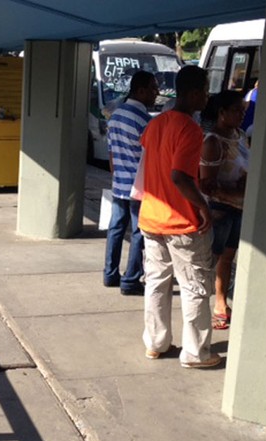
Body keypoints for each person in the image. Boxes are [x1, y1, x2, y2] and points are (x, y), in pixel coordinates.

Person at [138, 66, 221, 369]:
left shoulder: (155, 124)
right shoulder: (189, 129)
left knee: (157, 283)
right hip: (183, 223)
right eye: (205, 91)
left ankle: (156, 343)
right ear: (194, 92)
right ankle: (197, 353)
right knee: (195, 286)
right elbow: (180, 177)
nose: (207, 96)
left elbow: (153, 166)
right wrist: (202, 207)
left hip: (151, 218)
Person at [103, 70, 159, 295]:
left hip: (119, 184)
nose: (157, 93)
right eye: (154, 89)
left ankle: (110, 274)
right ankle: (131, 280)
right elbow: (152, 157)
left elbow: (111, 156)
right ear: (141, 90)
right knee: (138, 233)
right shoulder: (146, 121)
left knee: (115, 228)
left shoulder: (115, 116)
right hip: (139, 187)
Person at [200, 90, 249, 330]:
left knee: (228, 258)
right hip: (220, 209)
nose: (242, 114)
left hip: (239, 208)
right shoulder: (212, 142)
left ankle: (221, 304)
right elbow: (206, 184)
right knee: (212, 260)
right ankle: (201, 308)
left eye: (244, 110)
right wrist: (235, 190)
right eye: (237, 110)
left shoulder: (240, 136)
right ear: (221, 113)